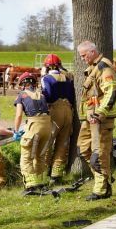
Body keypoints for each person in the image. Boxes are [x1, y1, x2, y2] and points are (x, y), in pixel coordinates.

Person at [77, 41, 116, 200]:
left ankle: (101, 189)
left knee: (98, 154)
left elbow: (111, 92)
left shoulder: (103, 67)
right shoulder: (93, 68)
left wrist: (100, 113)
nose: (82, 59)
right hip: (89, 118)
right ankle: (104, 179)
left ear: (92, 52)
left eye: (84, 55)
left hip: (100, 119)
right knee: (83, 149)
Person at [13, 72, 52, 194]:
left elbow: (19, 115)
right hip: (47, 126)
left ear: (23, 84)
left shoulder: (21, 95)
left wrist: (16, 131)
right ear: (34, 83)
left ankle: (31, 185)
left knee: (27, 157)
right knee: (40, 156)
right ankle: (41, 182)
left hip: (34, 126)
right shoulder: (42, 95)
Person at [41, 54, 76, 182]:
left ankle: (44, 173)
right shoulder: (68, 78)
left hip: (54, 110)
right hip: (68, 110)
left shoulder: (46, 78)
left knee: (47, 142)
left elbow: (48, 95)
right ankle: (57, 175)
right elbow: (72, 96)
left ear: (46, 67)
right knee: (63, 143)